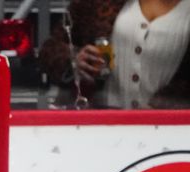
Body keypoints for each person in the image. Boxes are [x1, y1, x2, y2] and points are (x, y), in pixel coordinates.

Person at [39, 0, 190, 109]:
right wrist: (74, 59)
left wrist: (161, 107)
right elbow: (49, 49)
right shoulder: (96, 4)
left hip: (171, 128)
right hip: (100, 120)